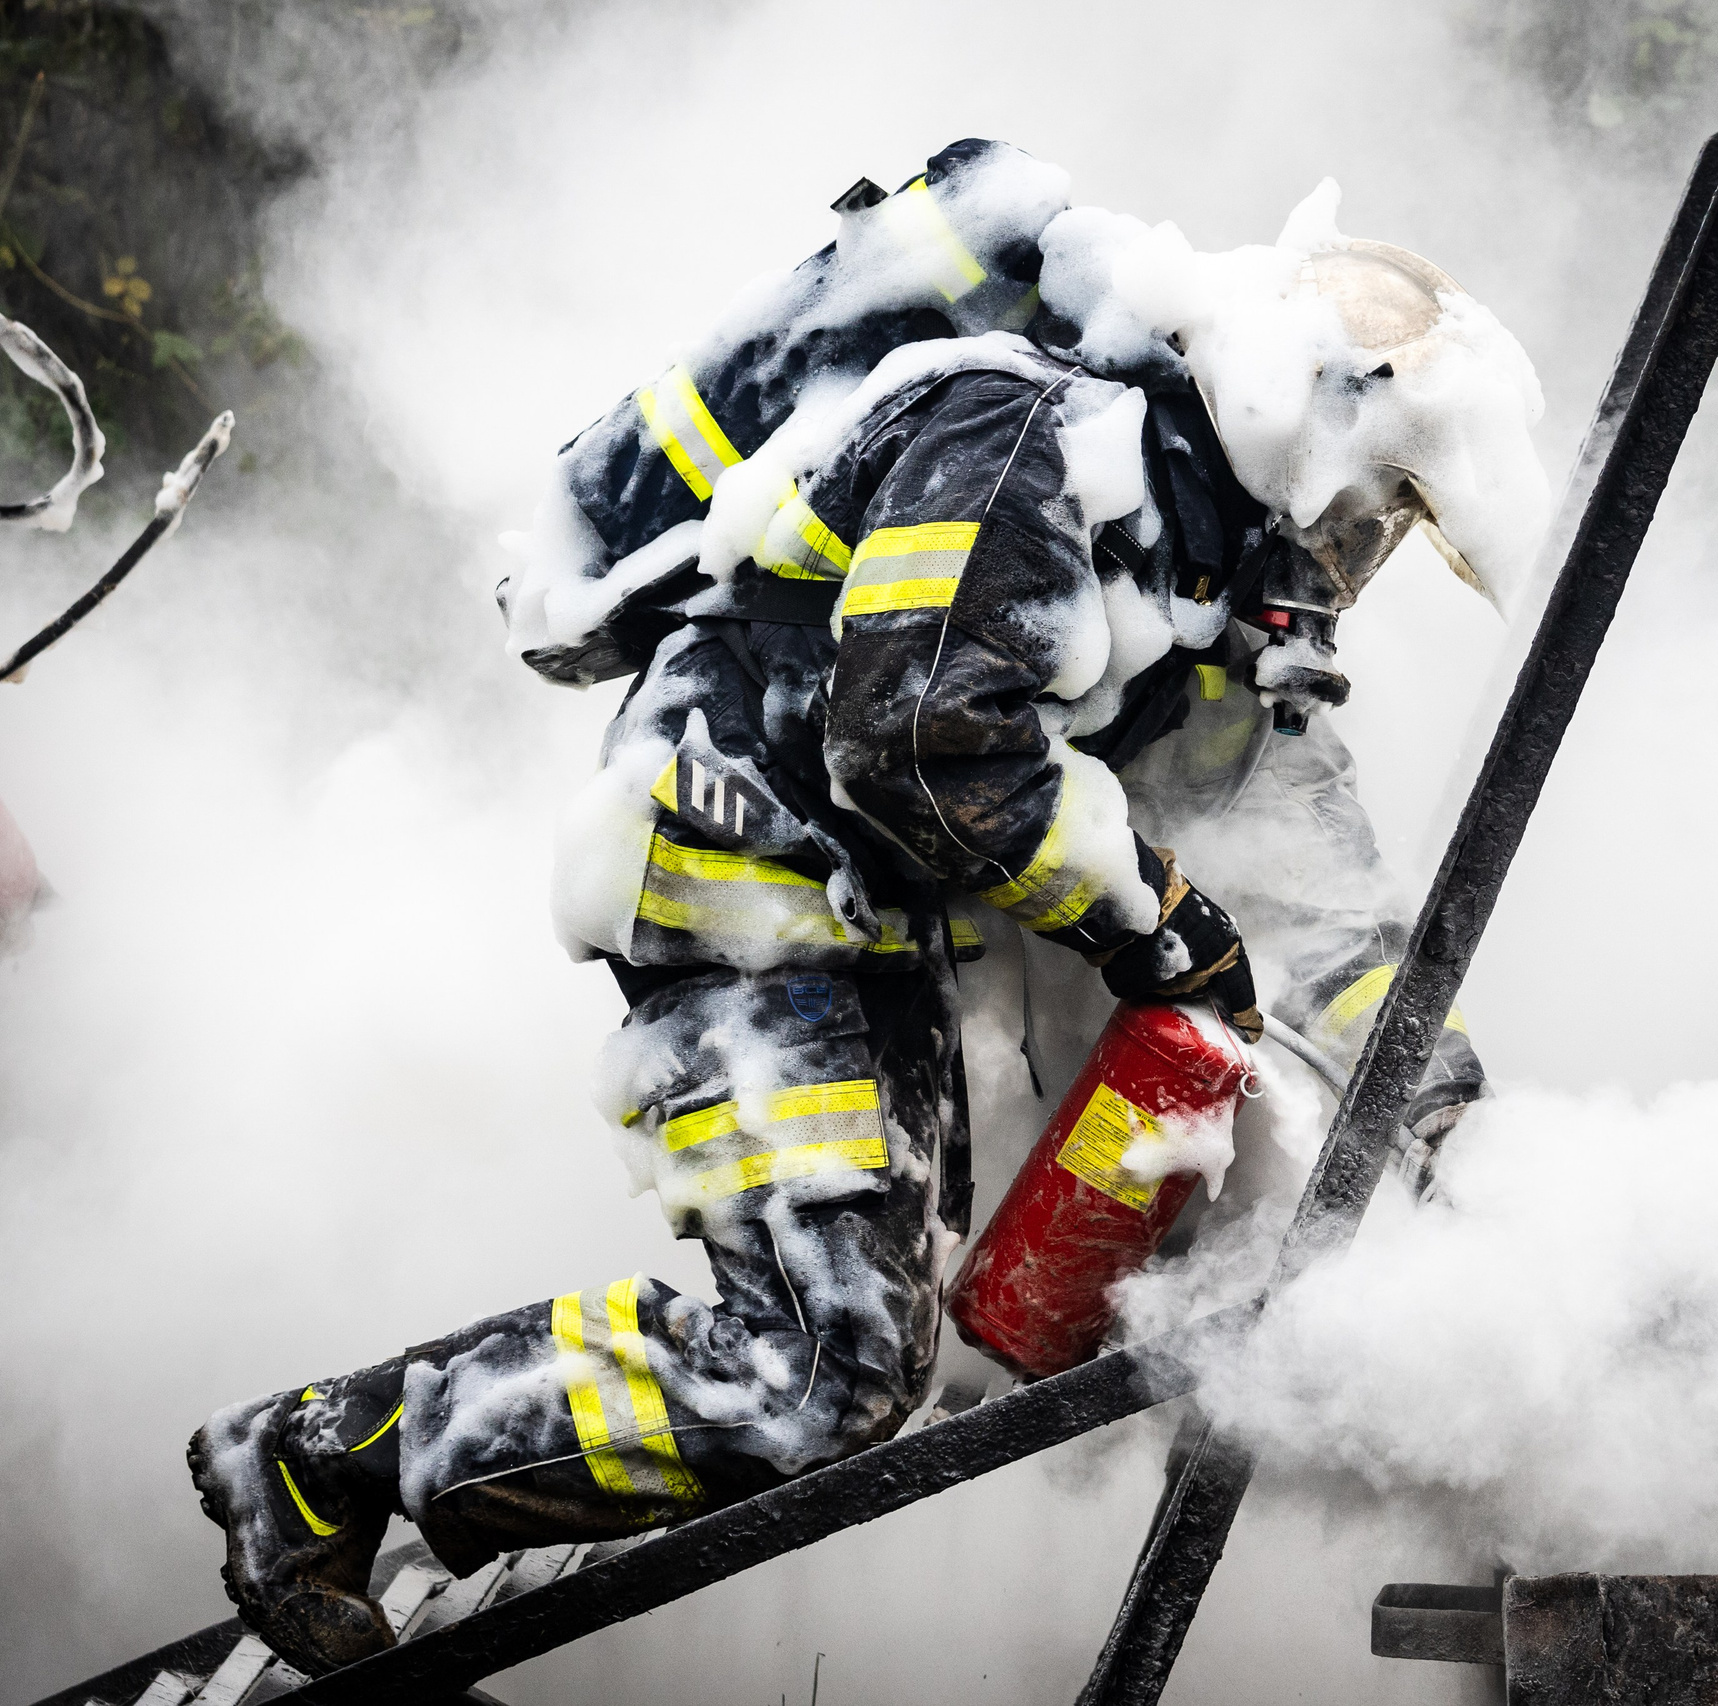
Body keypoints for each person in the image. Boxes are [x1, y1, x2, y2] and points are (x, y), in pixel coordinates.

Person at [187, 140, 1547, 1675]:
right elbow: (913, 737)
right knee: (822, 1369)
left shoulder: (1191, 570)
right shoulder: (1030, 430)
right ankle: (321, 1458)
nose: (1360, 558)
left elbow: (1314, 889)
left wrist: (1445, 1108)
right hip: (740, 874)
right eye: (1375, 509)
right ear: (1305, 408)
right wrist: (1149, 914)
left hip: (857, 925)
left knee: (860, 1367)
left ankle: (347, 1456)